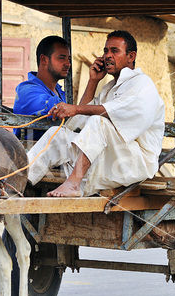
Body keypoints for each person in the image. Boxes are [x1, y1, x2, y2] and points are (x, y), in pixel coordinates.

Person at [26, 30, 165, 197]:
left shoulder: (142, 84)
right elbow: (79, 120)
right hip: (111, 156)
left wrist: (75, 108)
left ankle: (73, 184)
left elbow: (110, 112)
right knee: (58, 134)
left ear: (131, 56)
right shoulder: (110, 88)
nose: (107, 55)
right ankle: (18, 180)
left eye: (115, 51)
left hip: (136, 162)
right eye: (106, 51)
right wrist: (93, 81)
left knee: (99, 122)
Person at [13, 35, 69, 141]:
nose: (68, 64)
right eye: (61, 58)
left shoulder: (59, 91)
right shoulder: (26, 90)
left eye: (68, 59)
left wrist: (92, 81)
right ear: (44, 59)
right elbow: (55, 108)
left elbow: (75, 118)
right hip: (32, 155)